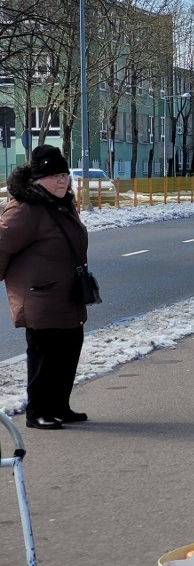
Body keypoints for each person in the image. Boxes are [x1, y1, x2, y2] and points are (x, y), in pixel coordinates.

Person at [0, 145, 89, 429]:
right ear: (37, 180)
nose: (62, 180)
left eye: (64, 174)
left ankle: (59, 406)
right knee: (44, 356)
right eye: (54, 175)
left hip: (67, 293)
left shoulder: (61, 204)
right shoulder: (26, 208)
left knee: (69, 348)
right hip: (39, 295)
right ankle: (37, 411)